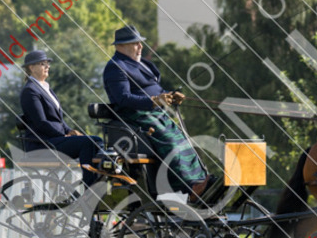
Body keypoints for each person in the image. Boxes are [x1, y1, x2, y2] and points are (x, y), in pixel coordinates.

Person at [102, 25, 210, 198]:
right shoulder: (116, 67)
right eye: (136, 43)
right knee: (170, 141)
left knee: (184, 141)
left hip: (155, 115)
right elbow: (123, 98)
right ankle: (188, 187)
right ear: (121, 46)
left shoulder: (143, 65)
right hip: (135, 117)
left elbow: (155, 89)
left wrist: (169, 96)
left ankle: (200, 180)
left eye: (140, 43)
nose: (140, 47)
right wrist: (152, 102)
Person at [19, 49, 102, 187]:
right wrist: (64, 134)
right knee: (88, 143)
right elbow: (41, 123)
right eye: (42, 63)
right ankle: (90, 188)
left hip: (55, 140)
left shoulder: (46, 89)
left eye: (47, 63)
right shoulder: (30, 91)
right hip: (43, 145)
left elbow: (58, 120)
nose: (47, 66)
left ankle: (99, 182)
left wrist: (70, 131)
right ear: (31, 68)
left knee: (97, 140)